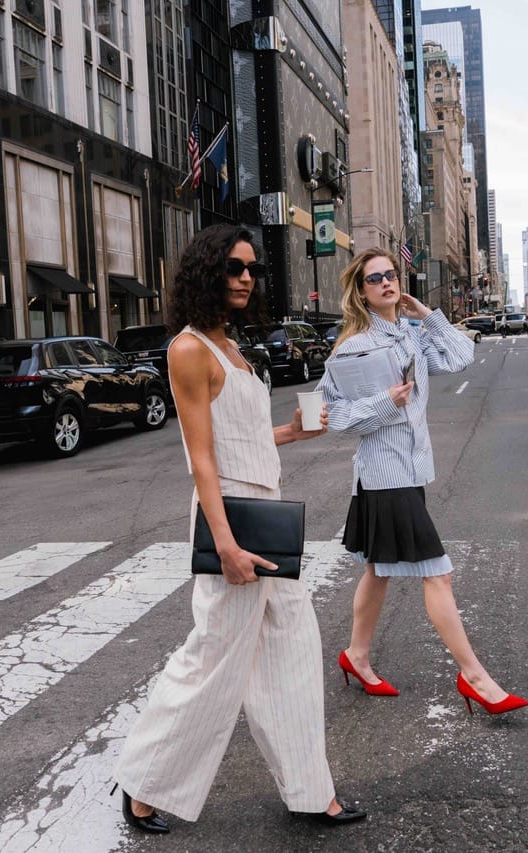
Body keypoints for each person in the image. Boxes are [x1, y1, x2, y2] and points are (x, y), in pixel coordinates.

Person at [114, 224, 364, 834]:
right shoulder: (190, 348)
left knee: (293, 650)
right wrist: (224, 543)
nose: (246, 277)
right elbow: (202, 457)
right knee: (213, 659)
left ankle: (311, 790)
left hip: (265, 514)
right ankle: (143, 784)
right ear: (207, 271)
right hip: (233, 519)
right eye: (233, 266)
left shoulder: (234, 347)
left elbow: (240, 438)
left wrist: (290, 434)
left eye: (251, 267)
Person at [320, 247, 528, 716]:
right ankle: (475, 677)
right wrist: (384, 404)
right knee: (438, 571)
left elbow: (460, 358)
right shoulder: (354, 347)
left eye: (391, 275)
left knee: (379, 569)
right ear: (361, 291)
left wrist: (428, 315)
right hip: (383, 475)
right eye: (375, 279)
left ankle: (356, 655)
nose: (387, 283)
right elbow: (334, 417)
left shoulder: (410, 335)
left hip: (410, 471)